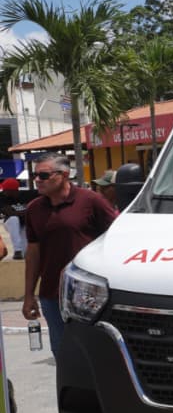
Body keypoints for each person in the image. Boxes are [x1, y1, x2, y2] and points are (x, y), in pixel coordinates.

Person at [23, 153, 117, 363]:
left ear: (64, 175)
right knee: (63, 353)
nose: (37, 180)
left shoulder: (91, 201)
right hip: (51, 296)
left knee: (94, 353)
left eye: (43, 175)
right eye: (34, 175)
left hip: (89, 294)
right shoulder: (34, 209)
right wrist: (29, 295)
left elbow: (116, 237)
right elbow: (33, 253)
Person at [0, 178, 26, 260]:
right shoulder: (1, 197)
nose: (4, 192)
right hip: (9, 222)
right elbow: (10, 213)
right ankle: (17, 250)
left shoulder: (25, 196)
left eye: (6, 190)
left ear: (14, 190)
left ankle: (22, 252)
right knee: (14, 219)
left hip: (24, 224)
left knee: (26, 252)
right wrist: (25, 212)